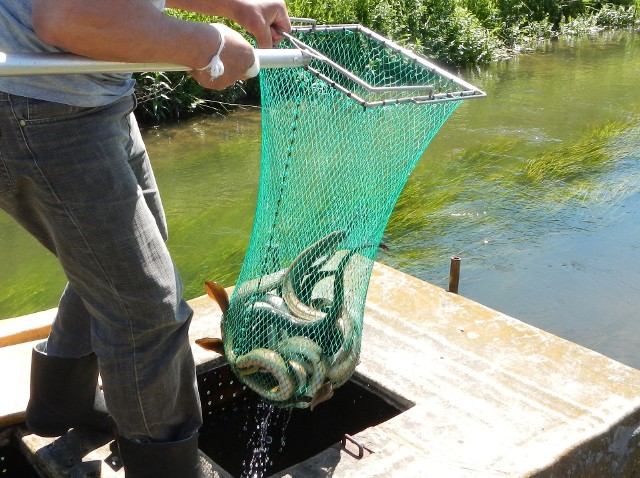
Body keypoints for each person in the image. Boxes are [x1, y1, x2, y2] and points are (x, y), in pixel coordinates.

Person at [0, 1, 291, 476]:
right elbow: (69, 17)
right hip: (39, 105)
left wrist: (235, 5)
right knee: (147, 310)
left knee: (121, 264)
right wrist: (211, 43)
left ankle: (62, 406)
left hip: (95, 93)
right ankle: (168, 466)